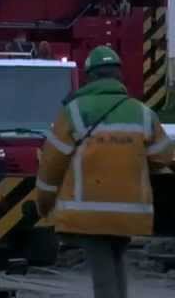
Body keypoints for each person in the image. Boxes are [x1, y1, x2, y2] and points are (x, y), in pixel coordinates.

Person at [35, 45, 173, 298]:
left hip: (88, 212)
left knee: (103, 276)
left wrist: (43, 205)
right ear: (118, 76)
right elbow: (164, 156)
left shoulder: (74, 112)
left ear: (90, 77)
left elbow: (51, 166)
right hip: (131, 212)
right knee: (117, 262)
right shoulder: (142, 113)